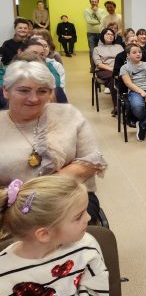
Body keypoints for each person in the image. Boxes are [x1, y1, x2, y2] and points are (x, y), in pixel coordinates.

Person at [0, 175, 109, 296]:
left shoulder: (86, 250)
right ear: (44, 234)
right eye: (79, 216)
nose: (89, 218)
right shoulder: (3, 272)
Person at [0, 61, 107, 222]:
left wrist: (39, 190)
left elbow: (92, 162)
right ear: (6, 91)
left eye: (42, 91)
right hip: (13, 207)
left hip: (71, 197)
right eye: (24, 90)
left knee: (61, 227)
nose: (33, 98)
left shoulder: (68, 114)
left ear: (51, 93)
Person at [119, 43, 146, 141]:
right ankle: (145, 124)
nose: (138, 54)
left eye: (139, 52)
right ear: (128, 55)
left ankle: (143, 125)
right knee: (138, 106)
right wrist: (141, 92)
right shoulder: (124, 68)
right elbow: (128, 83)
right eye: (134, 52)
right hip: (135, 91)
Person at [93, 28, 123, 116]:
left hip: (119, 69)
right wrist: (113, 69)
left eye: (112, 34)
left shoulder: (119, 47)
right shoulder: (97, 49)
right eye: (107, 34)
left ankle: (127, 104)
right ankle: (117, 106)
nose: (110, 36)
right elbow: (99, 64)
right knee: (113, 78)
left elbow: (124, 59)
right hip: (104, 70)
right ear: (102, 36)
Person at [83, 0, 106, 68]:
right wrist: (99, 21)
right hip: (91, 33)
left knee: (101, 50)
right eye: (92, 1)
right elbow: (89, 21)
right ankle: (93, 66)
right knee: (92, 50)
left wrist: (96, 11)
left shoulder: (102, 10)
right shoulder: (86, 10)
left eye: (95, 1)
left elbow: (103, 20)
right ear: (90, 2)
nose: (94, 3)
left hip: (101, 33)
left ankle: (100, 65)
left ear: (98, 2)